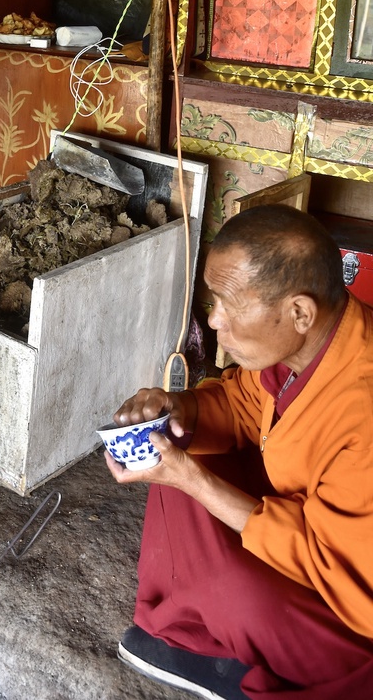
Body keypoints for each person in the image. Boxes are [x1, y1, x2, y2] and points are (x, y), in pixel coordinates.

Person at [105, 204, 373, 700]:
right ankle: (197, 634)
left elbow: (337, 570)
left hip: (349, 607)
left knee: (239, 591)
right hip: (296, 517)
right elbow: (243, 406)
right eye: (213, 301)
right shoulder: (307, 344)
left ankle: (234, 647)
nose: (213, 320)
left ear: (299, 312)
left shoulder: (363, 409)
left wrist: (195, 482)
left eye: (229, 305)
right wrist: (177, 407)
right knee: (184, 439)